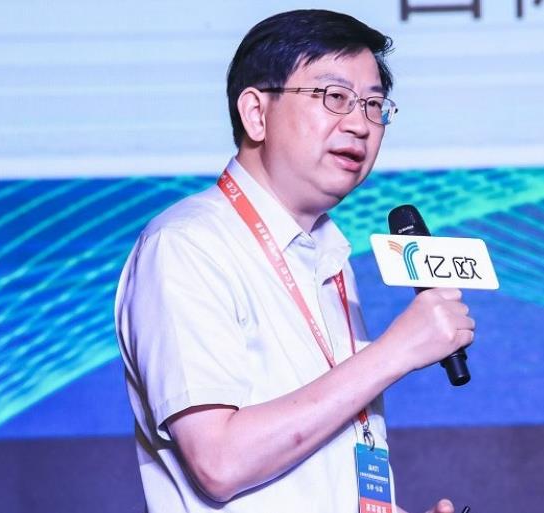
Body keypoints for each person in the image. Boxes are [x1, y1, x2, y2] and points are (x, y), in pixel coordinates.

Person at [115, 9, 474, 513]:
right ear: (256, 113)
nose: (360, 124)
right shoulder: (187, 244)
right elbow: (218, 462)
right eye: (334, 97)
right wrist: (395, 351)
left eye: (374, 105)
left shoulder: (328, 257)